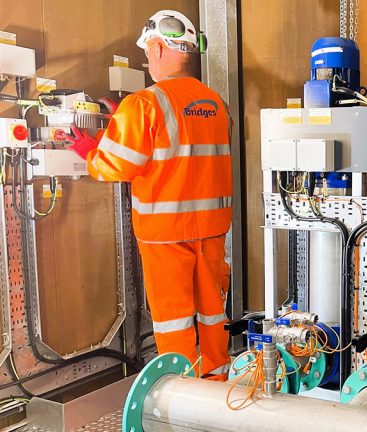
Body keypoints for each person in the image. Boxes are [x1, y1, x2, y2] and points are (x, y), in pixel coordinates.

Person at [67, 10, 233, 380]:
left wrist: (91, 151)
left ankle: (182, 393)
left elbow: (115, 167)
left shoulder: (143, 104)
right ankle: (217, 387)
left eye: (147, 53)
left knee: (175, 321)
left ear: (157, 48)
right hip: (211, 230)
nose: (148, 60)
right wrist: (123, 124)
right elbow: (182, 147)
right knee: (212, 314)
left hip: (165, 235)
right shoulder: (217, 104)